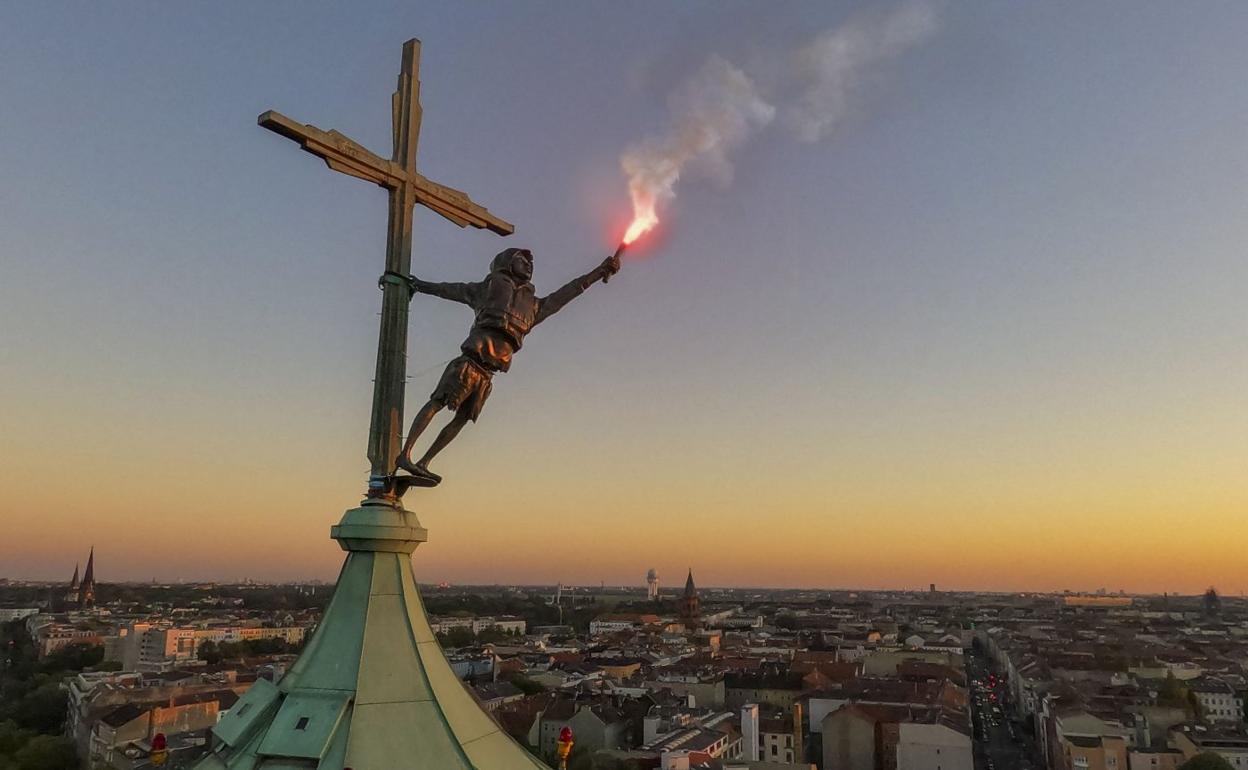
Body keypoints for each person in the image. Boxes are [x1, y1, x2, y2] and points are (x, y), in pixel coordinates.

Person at [392, 246, 620, 484]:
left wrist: (598, 272)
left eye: (530, 264)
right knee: (438, 402)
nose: (529, 266)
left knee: (461, 419)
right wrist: (418, 285)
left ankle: (424, 462)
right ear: (508, 263)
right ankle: (405, 454)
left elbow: (570, 291)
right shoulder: (489, 288)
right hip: (469, 363)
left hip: (488, 375)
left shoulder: (534, 306)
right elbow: (449, 290)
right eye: (523, 261)